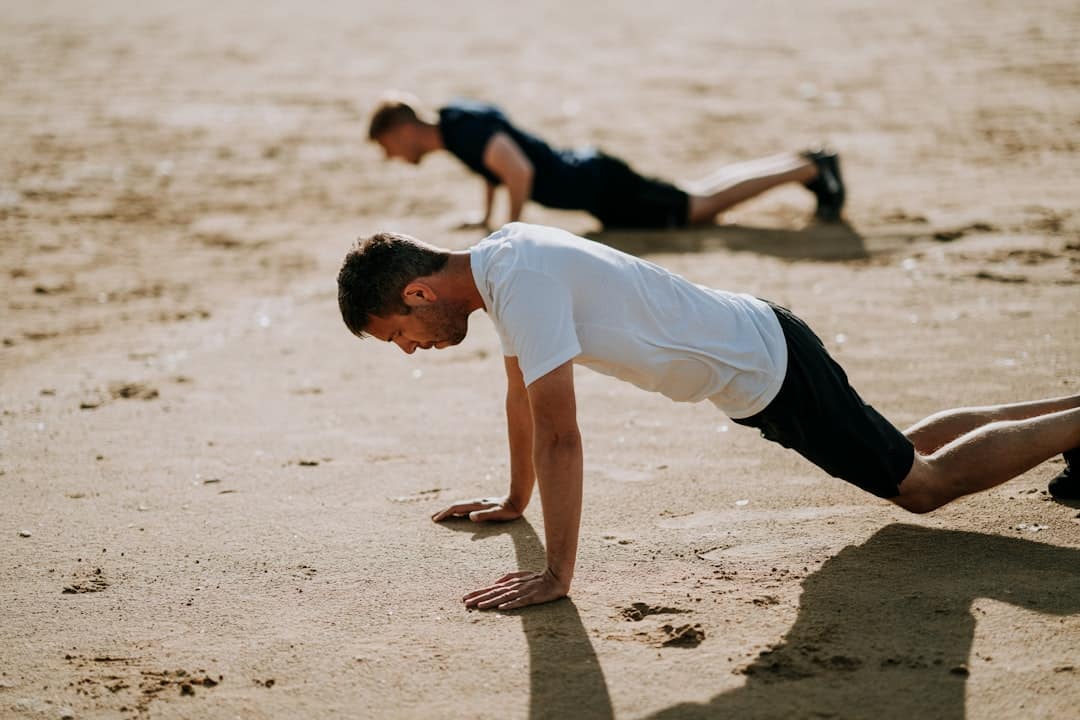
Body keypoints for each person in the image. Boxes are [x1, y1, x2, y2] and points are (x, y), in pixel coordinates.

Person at [336, 222, 1080, 611]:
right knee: (907, 447)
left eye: (396, 335)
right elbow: (521, 398)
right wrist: (514, 501)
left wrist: (558, 573)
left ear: (417, 296)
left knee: (919, 486)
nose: (409, 351)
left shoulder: (517, 281)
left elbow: (562, 433)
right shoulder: (502, 264)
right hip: (761, 349)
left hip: (768, 369)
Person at [367, 94, 845, 229]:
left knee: (699, 207)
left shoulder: (461, 131)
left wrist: (510, 231)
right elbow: (496, 169)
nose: (393, 157)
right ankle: (804, 162)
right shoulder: (454, 124)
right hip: (594, 179)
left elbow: (519, 171)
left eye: (387, 147)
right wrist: (486, 216)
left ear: (402, 129)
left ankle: (808, 169)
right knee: (697, 192)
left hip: (597, 186)